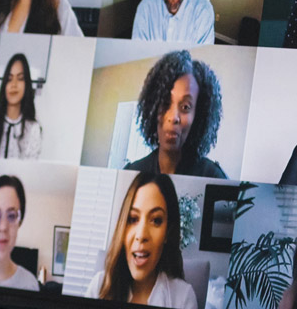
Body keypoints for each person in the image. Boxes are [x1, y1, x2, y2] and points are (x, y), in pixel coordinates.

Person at [88, 172, 198, 309]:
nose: (141, 235)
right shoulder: (98, 287)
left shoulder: (183, 298)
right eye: (133, 219)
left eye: (156, 221)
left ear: (167, 233)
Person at [123, 51, 229, 179]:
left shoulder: (213, 177)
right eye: (165, 103)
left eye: (185, 107)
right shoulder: (131, 173)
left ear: (198, 116)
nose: (173, 117)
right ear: (153, 107)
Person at [0, 54, 44, 160]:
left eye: (20, 78)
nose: (14, 84)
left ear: (27, 85)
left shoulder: (33, 129)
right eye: (9, 79)